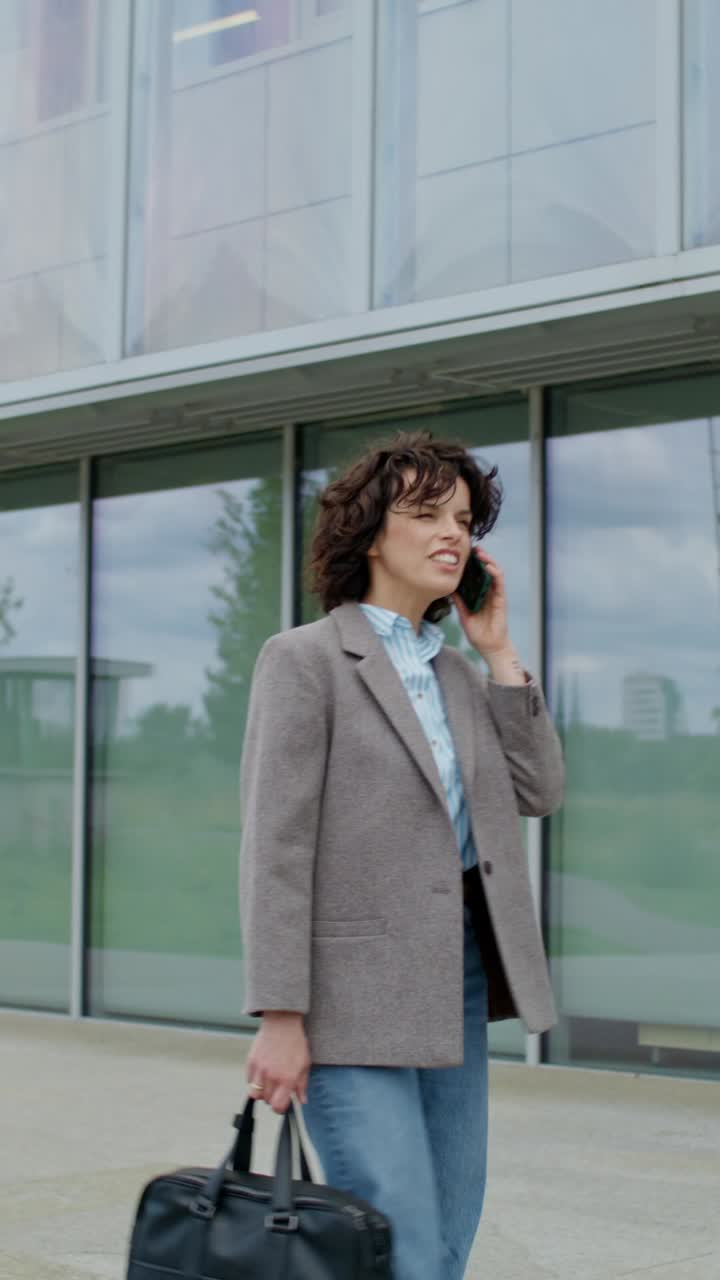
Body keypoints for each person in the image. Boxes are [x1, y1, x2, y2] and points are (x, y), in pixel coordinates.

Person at [238, 429, 565, 1280]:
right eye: (427, 513)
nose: (453, 532)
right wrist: (280, 1014)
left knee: (447, 1240)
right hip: (348, 1001)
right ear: (372, 532)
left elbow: (539, 791)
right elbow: (276, 848)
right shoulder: (305, 662)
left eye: (463, 517)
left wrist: (499, 653)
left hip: (453, 985)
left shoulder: (462, 676)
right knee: (402, 1245)